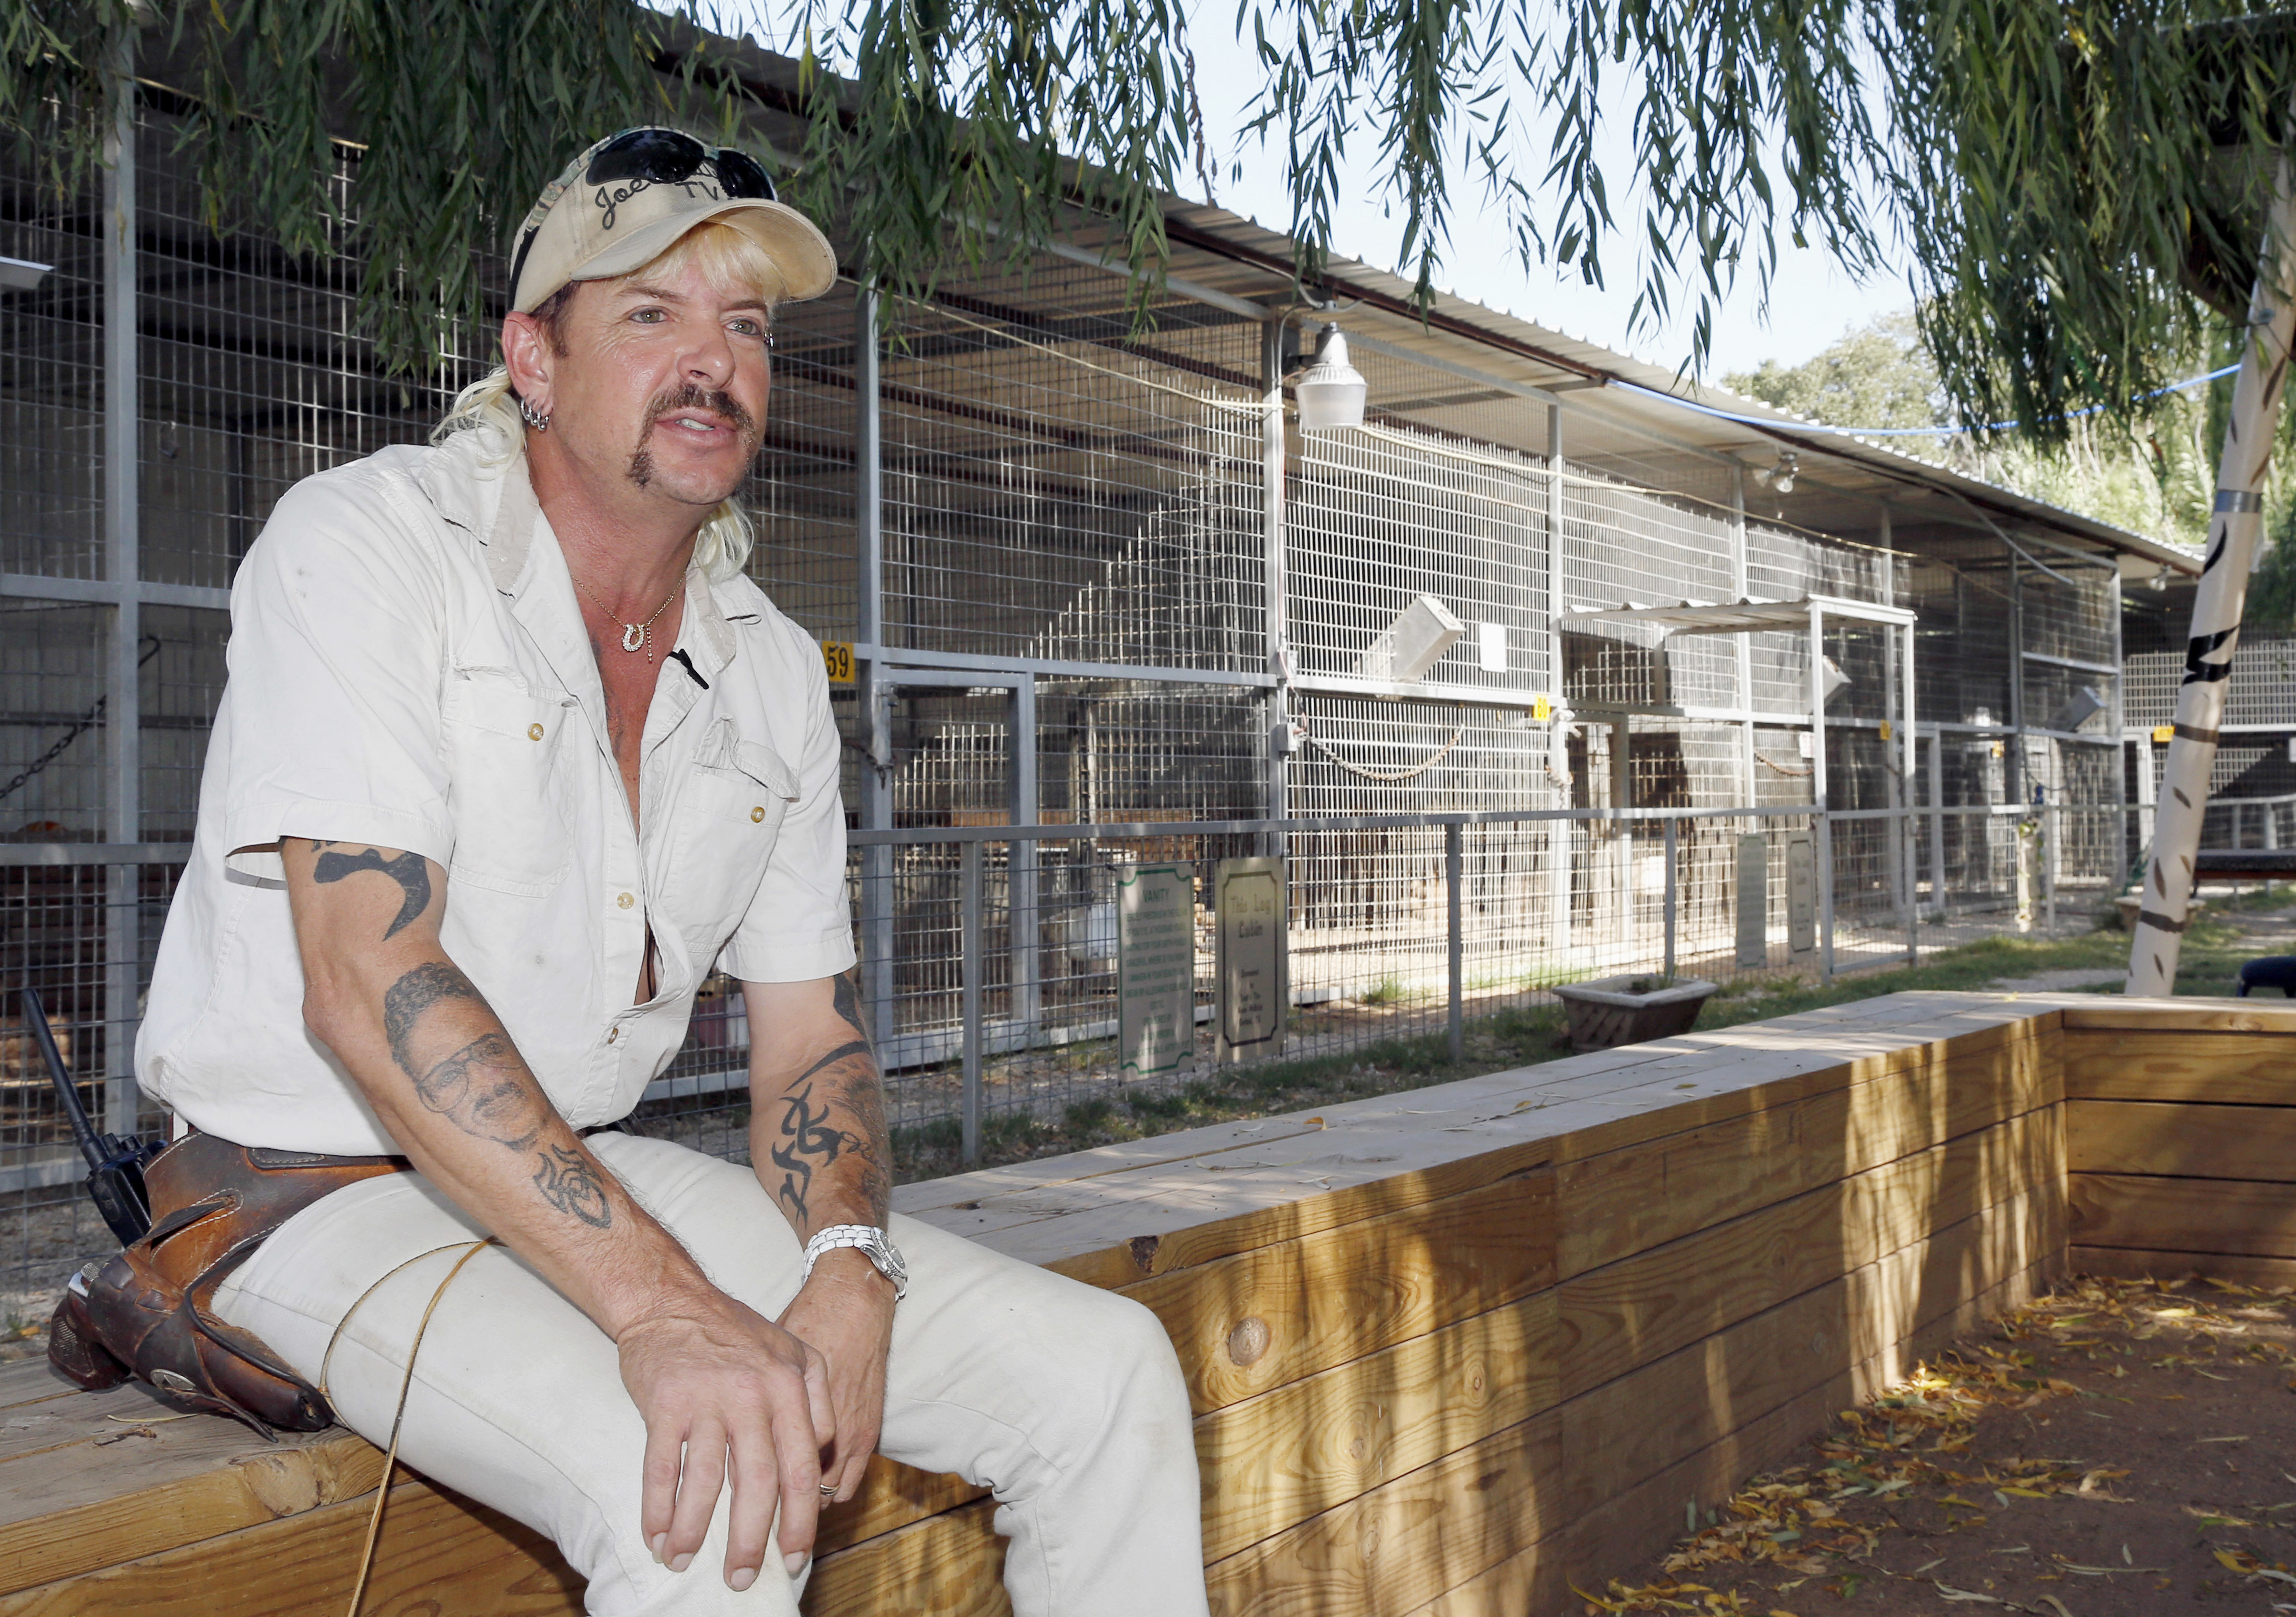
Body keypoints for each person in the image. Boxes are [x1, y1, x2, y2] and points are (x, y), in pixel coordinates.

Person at [134, 128, 1210, 1616]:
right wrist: (666, 1314)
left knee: (1105, 1378)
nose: (712, 362)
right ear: (532, 355)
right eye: (650, 314)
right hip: (305, 1189)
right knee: (708, 1492)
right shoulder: (371, 543)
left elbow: (811, 1035)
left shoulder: (765, 663)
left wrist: (843, 1258)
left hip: (574, 1156)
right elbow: (365, 979)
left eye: (747, 327)